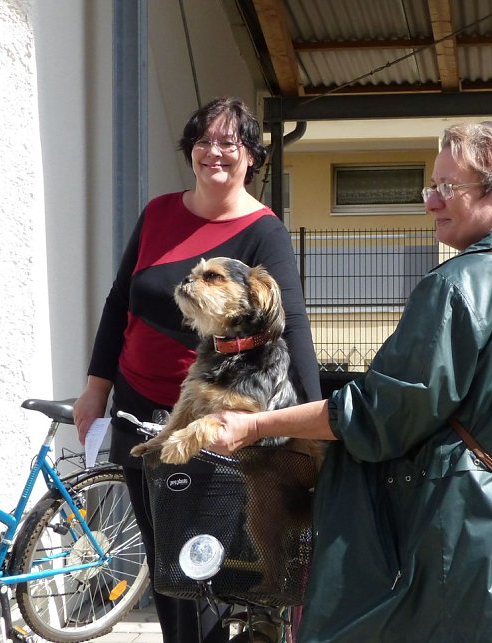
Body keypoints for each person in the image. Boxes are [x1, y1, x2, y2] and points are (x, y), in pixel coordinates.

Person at [198, 122, 492, 642]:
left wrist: (255, 427)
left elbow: (379, 414)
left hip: (463, 536)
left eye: (449, 188)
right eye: (430, 187)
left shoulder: (461, 284)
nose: (432, 201)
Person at [72, 96, 321, 642]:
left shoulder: (263, 230)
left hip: (212, 414)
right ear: (190, 149)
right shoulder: (159, 212)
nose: (215, 153)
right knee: (163, 563)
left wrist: (310, 418)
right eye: (204, 141)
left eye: (230, 143)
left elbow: (292, 325)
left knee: (200, 561)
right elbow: (121, 301)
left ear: (252, 156)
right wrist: (96, 389)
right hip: (139, 405)